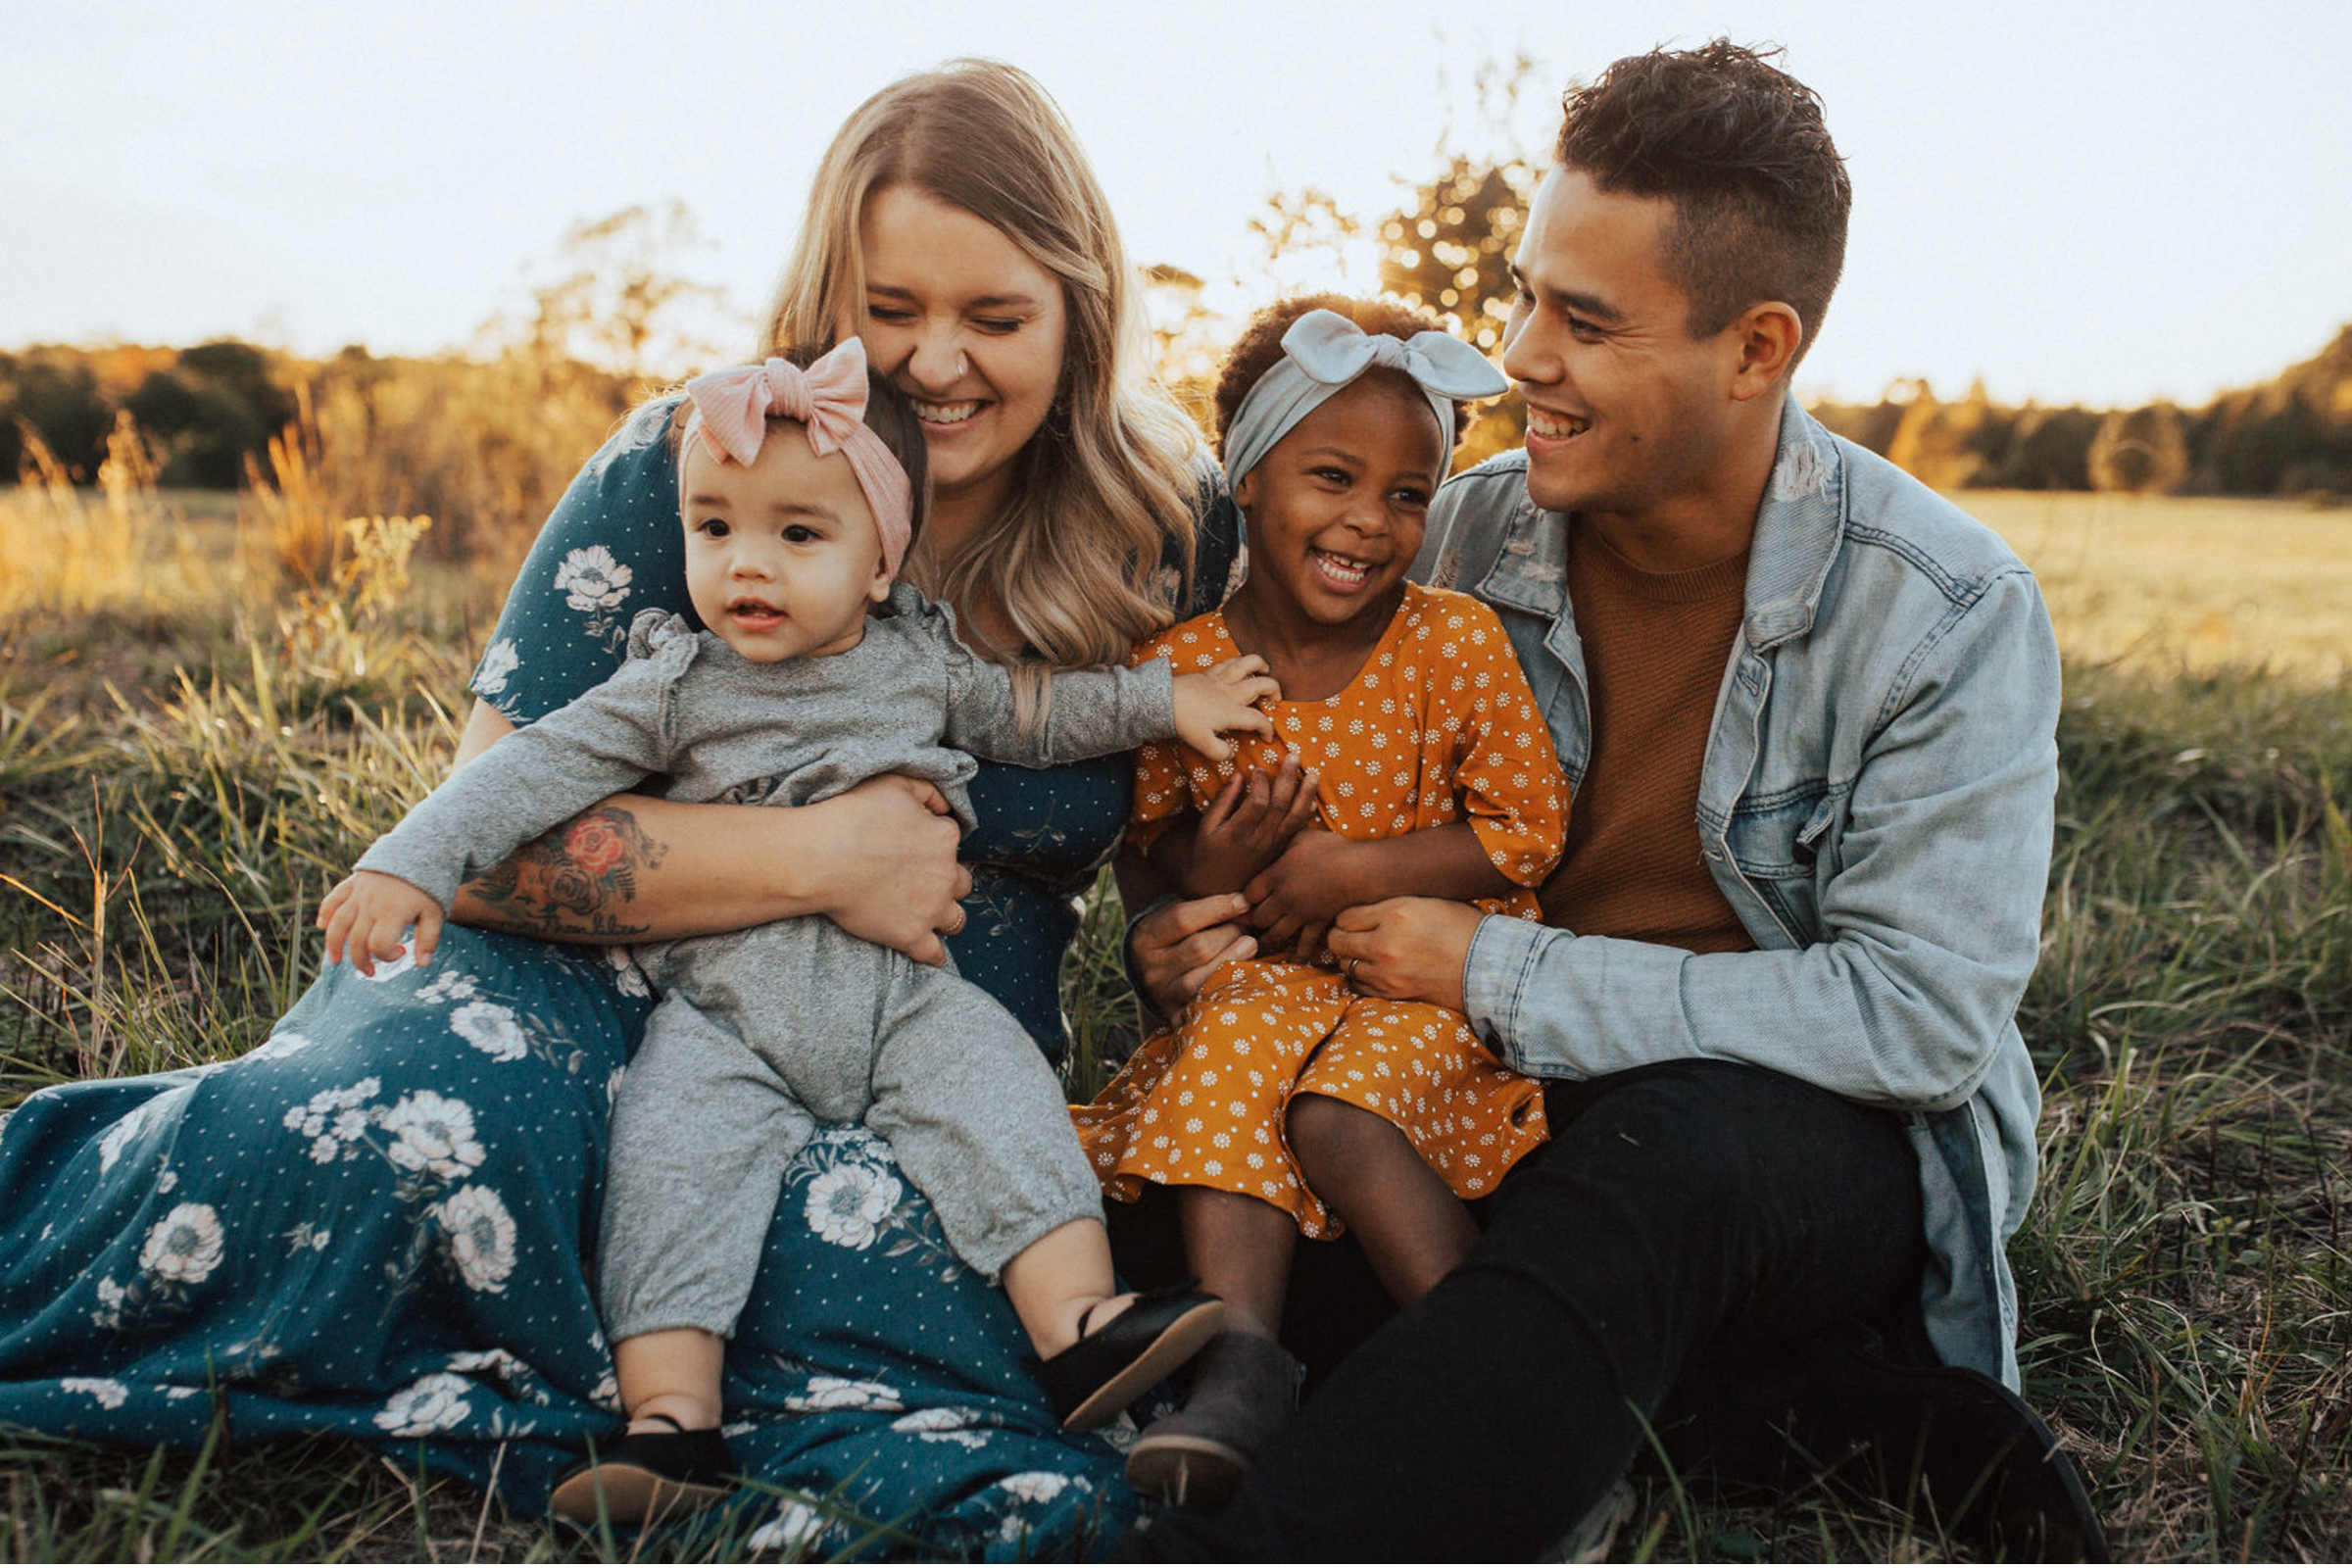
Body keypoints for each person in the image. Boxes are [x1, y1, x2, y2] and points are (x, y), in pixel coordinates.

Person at [0, 60, 1242, 1556]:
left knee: (886, 1267)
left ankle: (663, 1418)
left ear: (1080, 308)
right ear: (826, 295)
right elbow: (486, 832)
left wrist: (1201, 920)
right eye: (892, 310)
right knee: (398, 1128)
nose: (934, 364)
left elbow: (1189, 806)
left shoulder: (1162, 517)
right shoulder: (699, 458)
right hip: (582, 979)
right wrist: (816, 857)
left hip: (913, 1030)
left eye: (995, 317)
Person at [1123, 41, 2103, 1561]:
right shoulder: (1451, 533)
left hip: (1776, 1130)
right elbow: (1263, 795)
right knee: (1208, 1184)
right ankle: (1781, 1420)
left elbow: (1918, 1021)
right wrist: (1190, 923)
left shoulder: (1945, 609)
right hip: (1476, 1083)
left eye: (1584, 320)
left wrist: (1499, 970)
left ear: (1756, 348)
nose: (1518, 354)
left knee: (1647, 1188)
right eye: (1525, 294)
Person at [318, 343, 1269, 1521]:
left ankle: (1080, 1326)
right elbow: (533, 770)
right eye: (713, 530)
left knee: (1005, 1098)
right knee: (672, 1171)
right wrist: (408, 853)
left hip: (907, 996)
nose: (745, 566)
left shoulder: (924, 660)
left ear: (881, 560)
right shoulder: (678, 683)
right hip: (727, 1016)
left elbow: (1041, 713)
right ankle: (672, 1422)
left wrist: (1171, 700)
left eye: (797, 537)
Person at [1071, 299, 1568, 1508]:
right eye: (1333, 477)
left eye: (1408, 493)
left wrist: (1349, 867)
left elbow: (1527, 830)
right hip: (1270, 988)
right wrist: (1213, 872)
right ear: (1246, 477)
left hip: (1424, 981)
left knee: (1340, 1114)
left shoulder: (1452, 642)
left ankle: (1504, 1390)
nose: (1369, 520)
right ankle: (1241, 1369)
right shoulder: (1181, 669)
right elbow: (1153, 855)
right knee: (1240, 1033)